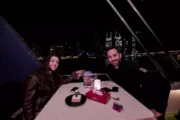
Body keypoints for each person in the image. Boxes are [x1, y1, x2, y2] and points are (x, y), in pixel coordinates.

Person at [106, 47, 170, 120]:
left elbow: (163, 83)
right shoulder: (109, 69)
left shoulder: (131, 66)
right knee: (112, 112)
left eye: (115, 55)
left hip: (138, 102)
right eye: (110, 57)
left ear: (120, 55)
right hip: (123, 101)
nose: (113, 59)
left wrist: (159, 110)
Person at [23, 55, 84, 120]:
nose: (55, 63)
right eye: (52, 61)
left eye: (57, 62)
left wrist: (74, 74)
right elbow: (28, 102)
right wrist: (30, 118)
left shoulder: (53, 74)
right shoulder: (35, 77)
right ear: (47, 62)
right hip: (38, 111)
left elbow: (63, 81)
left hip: (50, 105)